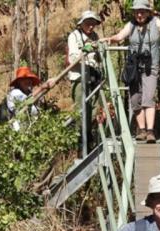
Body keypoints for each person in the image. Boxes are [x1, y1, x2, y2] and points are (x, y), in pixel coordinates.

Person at [100, 0, 160, 143]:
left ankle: (150, 131)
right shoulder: (131, 25)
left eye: (143, 11)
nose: (140, 14)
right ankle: (141, 130)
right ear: (134, 12)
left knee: (149, 97)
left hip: (150, 67)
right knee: (135, 99)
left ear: (148, 12)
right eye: (137, 11)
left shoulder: (155, 22)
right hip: (134, 68)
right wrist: (109, 40)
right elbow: (119, 37)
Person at [68, 10, 103, 152]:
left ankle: (91, 142)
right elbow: (72, 59)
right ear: (81, 24)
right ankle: (81, 146)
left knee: (95, 111)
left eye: (93, 24)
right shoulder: (74, 36)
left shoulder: (96, 36)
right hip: (79, 78)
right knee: (81, 111)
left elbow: (99, 58)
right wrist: (85, 51)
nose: (90, 26)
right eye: (88, 23)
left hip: (94, 77)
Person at [6, 66, 54, 131]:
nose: (27, 81)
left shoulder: (28, 92)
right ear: (19, 82)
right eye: (24, 79)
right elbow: (27, 101)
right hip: (19, 130)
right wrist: (42, 87)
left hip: (31, 127)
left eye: (29, 79)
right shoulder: (15, 93)